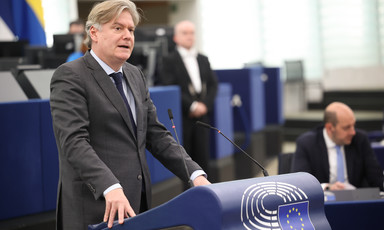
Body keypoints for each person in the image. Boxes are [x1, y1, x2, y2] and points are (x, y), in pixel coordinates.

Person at [50, 1, 210, 230]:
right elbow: (74, 142)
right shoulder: (70, 76)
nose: (127, 35)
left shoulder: (135, 75)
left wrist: (194, 173)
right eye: (118, 28)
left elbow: (156, 135)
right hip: (96, 206)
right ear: (94, 32)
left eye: (131, 30)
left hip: (137, 205)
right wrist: (109, 186)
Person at [159, 20, 218, 175]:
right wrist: (192, 106)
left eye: (192, 33)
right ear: (175, 38)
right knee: (185, 160)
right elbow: (170, 86)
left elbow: (213, 85)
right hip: (182, 117)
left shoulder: (203, 59)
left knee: (203, 158)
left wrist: (204, 105)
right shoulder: (168, 60)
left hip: (202, 117)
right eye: (185, 33)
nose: (189, 36)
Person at [291, 102, 383, 191]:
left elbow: (376, 178)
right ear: (330, 128)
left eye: (353, 126)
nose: (353, 132)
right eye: (347, 127)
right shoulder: (307, 143)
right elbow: (301, 183)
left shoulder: (360, 139)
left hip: (355, 200)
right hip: (325, 202)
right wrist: (327, 187)